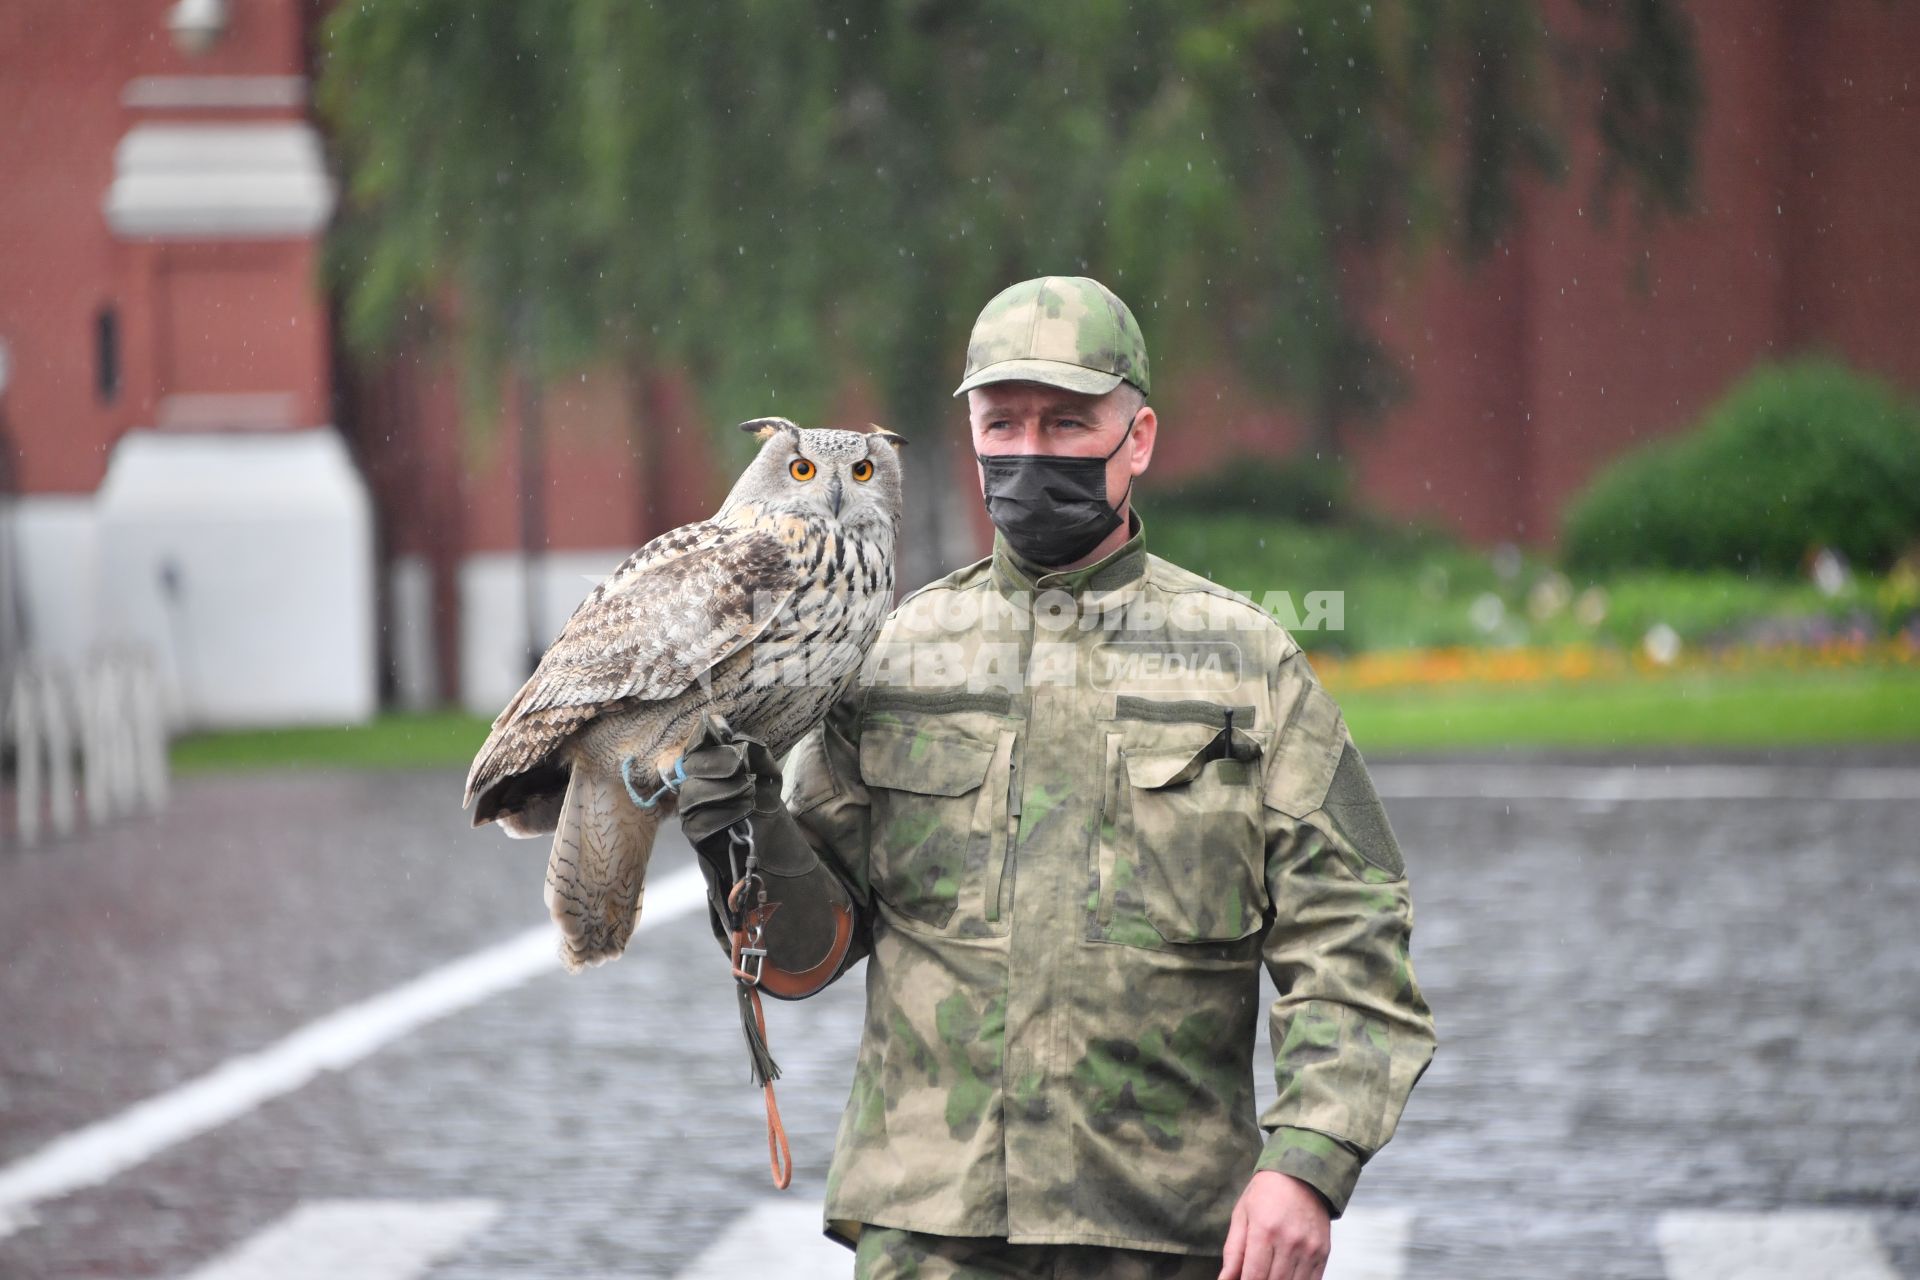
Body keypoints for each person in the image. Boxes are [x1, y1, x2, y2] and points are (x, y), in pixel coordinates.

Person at [675, 276, 1435, 1280]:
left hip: (1167, 1231)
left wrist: (1308, 1161)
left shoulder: (1246, 663)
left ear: (1140, 437)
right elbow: (807, 953)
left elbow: (1354, 935)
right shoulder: (892, 657)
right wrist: (737, 819)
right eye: (1004, 421)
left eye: (1068, 422)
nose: (1030, 450)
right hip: (932, 1233)